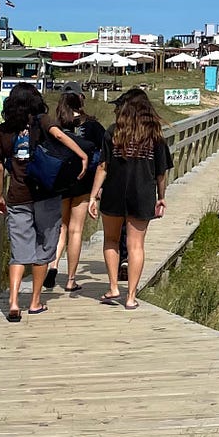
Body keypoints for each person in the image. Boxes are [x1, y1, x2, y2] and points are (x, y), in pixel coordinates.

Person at [0, 83, 87, 321]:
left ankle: (13, 302)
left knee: (19, 252)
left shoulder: (1, 131)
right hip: (46, 193)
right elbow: (59, 135)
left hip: (17, 196)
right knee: (43, 249)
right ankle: (35, 302)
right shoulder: (42, 122)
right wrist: (82, 155)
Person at [90, 87, 172, 311]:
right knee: (136, 245)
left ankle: (114, 286)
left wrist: (92, 195)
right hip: (143, 192)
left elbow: (103, 166)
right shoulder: (155, 136)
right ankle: (131, 297)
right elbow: (161, 173)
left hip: (114, 192)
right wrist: (161, 196)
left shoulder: (113, 132)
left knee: (111, 240)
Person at [51, 87, 106, 295]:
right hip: (84, 183)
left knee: (61, 228)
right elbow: (103, 156)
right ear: (80, 101)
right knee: (76, 230)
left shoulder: (56, 125)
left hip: (61, 182)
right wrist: (98, 188)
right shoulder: (92, 126)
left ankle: (54, 265)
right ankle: (71, 279)